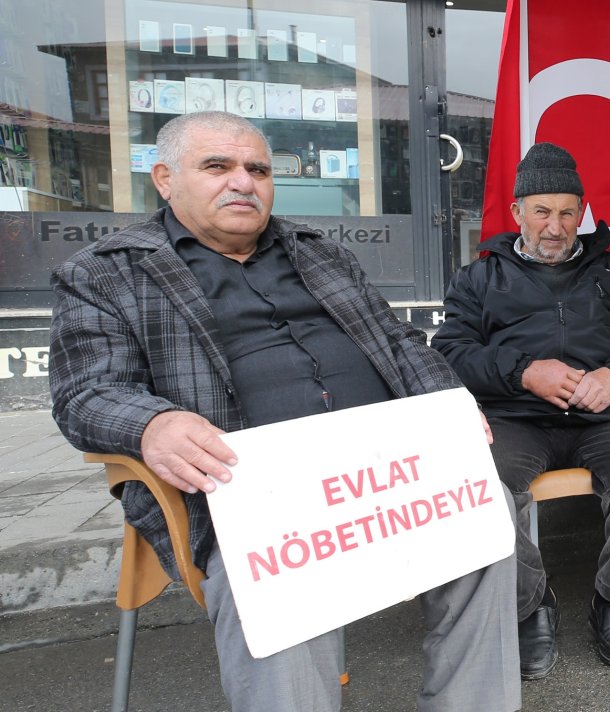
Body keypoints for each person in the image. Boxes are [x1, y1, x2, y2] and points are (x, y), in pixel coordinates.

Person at [48, 111, 518, 711]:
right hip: (255, 492)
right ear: (164, 178)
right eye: (217, 166)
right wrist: (151, 424)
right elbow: (84, 391)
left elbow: (398, 343)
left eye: (258, 169)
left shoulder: (318, 252)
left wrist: (452, 403)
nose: (243, 182)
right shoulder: (108, 272)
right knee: (279, 585)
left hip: (387, 470)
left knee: (488, 513)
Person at [432, 143, 610, 675]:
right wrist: (524, 371)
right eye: (542, 211)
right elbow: (450, 352)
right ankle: (530, 604)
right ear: (517, 212)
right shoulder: (479, 278)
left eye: (568, 212)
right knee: (482, 480)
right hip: (515, 419)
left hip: (606, 417)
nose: (555, 226)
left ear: (581, 213)